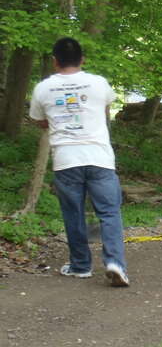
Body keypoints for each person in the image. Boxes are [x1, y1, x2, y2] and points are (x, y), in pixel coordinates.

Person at [29, 37, 130, 287]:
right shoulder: (99, 83)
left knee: (73, 214)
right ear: (82, 59)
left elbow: (39, 121)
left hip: (66, 159)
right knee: (109, 212)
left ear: (55, 61)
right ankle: (115, 263)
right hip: (100, 158)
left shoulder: (43, 89)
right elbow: (105, 110)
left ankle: (80, 266)